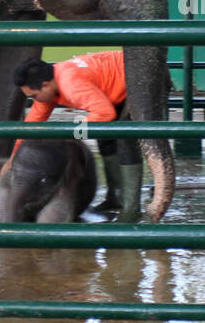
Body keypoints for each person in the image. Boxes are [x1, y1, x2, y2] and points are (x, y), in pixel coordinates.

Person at [10, 51, 142, 220]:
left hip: (136, 82)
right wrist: (13, 159)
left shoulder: (70, 84)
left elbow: (104, 113)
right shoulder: (52, 86)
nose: (36, 100)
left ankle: (131, 211)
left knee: (125, 140)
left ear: (45, 85)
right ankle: (116, 199)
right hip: (114, 90)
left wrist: (73, 134)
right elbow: (32, 125)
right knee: (106, 139)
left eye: (34, 96)